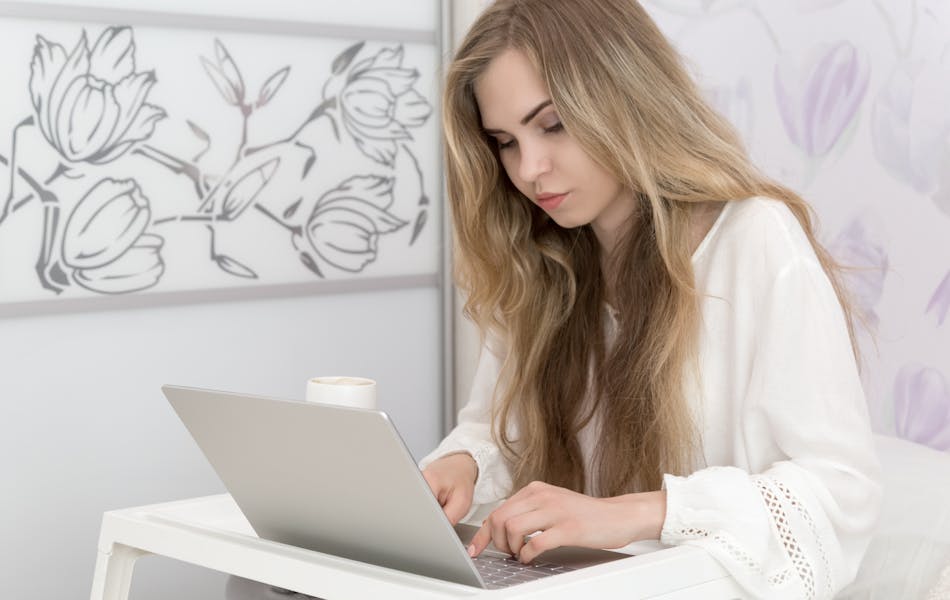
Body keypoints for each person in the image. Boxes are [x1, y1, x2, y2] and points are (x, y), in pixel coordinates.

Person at [419, 0, 881, 598]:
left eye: (554, 124)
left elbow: (838, 492)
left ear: (626, 94)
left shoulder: (754, 240)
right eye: (505, 141)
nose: (530, 169)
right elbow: (496, 430)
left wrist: (644, 511)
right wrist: (467, 464)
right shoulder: (541, 264)